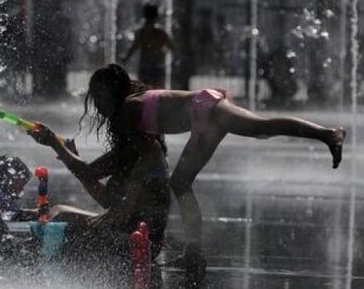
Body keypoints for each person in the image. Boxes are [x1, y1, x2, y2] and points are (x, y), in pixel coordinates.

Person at [76, 64, 345, 270]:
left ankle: (195, 255)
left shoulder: (128, 108)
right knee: (259, 130)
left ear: (113, 90)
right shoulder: (136, 100)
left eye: (99, 95)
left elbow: (122, 158)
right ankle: (327, 135)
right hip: (206, 105)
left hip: (203, 112)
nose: (96, 103)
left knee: (185, 180)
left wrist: (82, 167)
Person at [28, 116, 171, 265]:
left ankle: (47, 265)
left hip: (138, 241)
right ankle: (44, 260)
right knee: (57, 210)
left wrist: (54, 143)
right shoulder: (130, 148)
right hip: (124, 229)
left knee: (63, 220)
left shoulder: (147, 151)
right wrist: (70, 155)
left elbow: (88, 172)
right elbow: (106, 199)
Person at [122, 5, 173, 87]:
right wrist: (162, 52)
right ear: (156, 16)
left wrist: (126, 58)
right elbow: (171, 47)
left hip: (145, 66)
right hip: (157, 66)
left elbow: (134, 47)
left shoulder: (142, 32)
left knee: (145, 91)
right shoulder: (161, 32)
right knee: (158, 92)